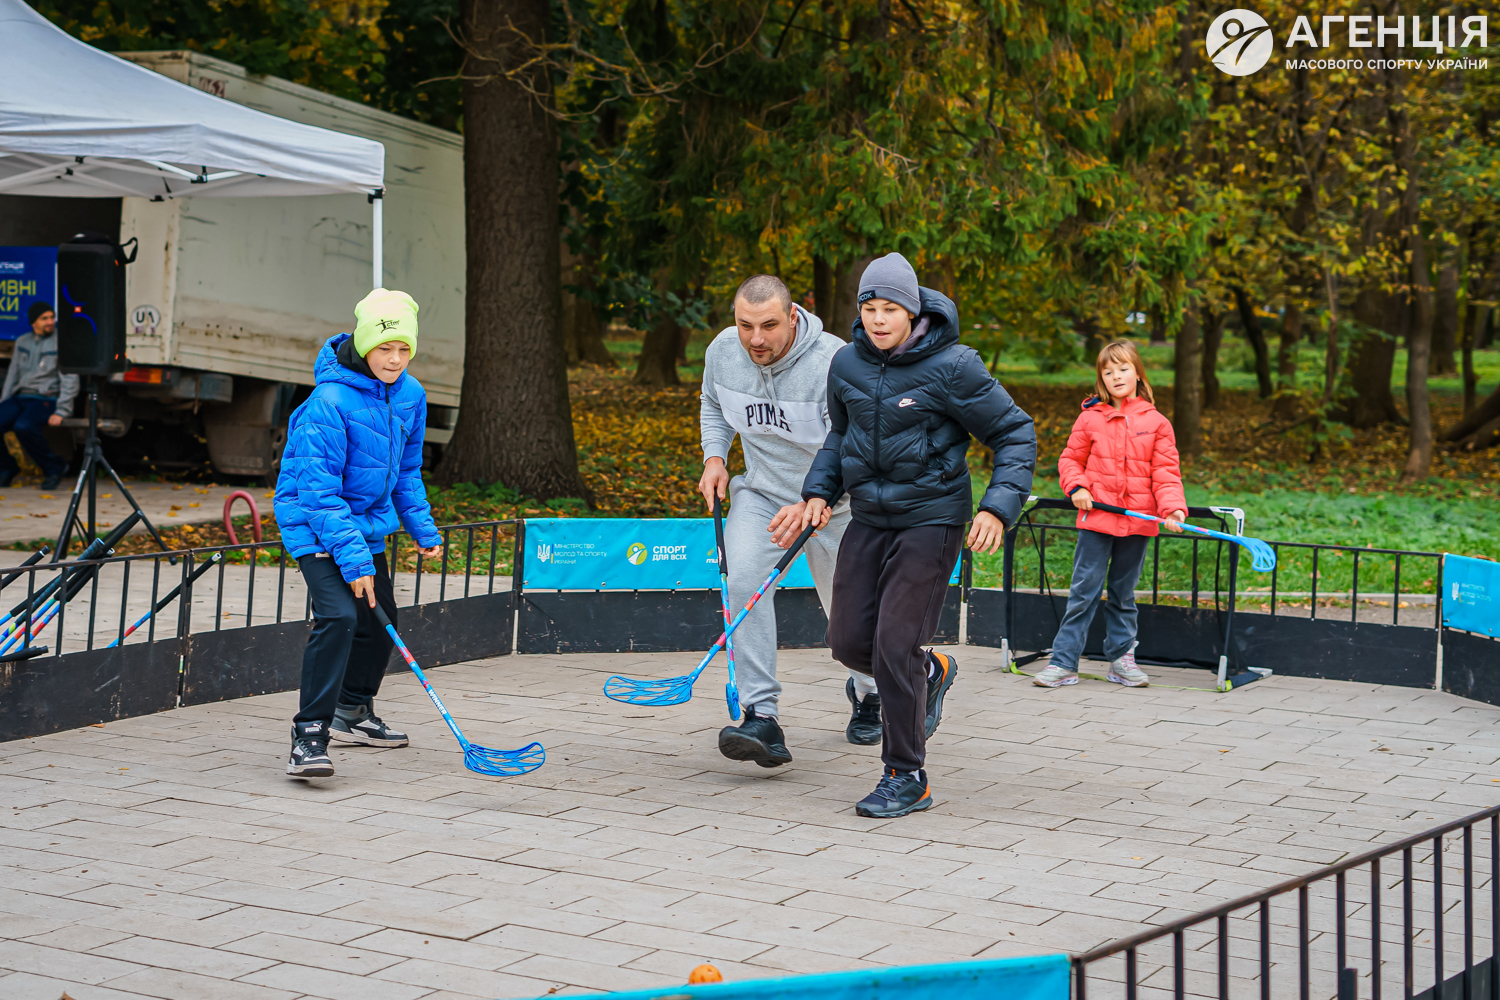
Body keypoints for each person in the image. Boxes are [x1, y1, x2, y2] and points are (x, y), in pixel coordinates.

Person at [800, 252, 1036, 818]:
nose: (879, 319)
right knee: (847, 643)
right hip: (868, 518)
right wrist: (819, 492)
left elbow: (1014, 432)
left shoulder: (955, 366)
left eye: (890, 309)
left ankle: (906, 776)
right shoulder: (847, 363)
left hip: (932, 520)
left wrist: (997, 509)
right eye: (870, 308)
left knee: (893, 647)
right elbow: (840, 437)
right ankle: (930, 671)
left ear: (912, 311)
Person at [699, 274, 871, 769]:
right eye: (745, 325)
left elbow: (856, 445)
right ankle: (762, 717)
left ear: (793, 318)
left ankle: (872, 692)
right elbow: (713, 403)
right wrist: (715, 456)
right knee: (743, 583)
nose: (756, 339)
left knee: (849, 618)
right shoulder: (723, 352)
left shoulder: (834, 362)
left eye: (769, 325)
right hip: (762, 495)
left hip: (837, 505)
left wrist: (818, 497)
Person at [274, 288, 444, 778]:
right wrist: (354, 562)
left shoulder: (410, 395)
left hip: (363, 526)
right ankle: (309, 735)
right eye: (384, 348)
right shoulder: (327, 402)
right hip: (314, 521)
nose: (395, 359)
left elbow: (406, 470)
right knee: (340, 616)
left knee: (379, 619)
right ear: (364, 344)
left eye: (404, 349)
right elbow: (318, 493)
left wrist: (421, 528)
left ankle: (352, 709)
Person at [1033, 339, 1187, 689]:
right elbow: (1070, 460)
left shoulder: (1157, 422)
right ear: (1100, 378)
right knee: (1083, 591)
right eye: (1108, 371)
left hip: (1139, 521)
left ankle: (1121, 660)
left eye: (1123, 368)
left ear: (1138, 373)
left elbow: (1166, 472)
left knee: (1123, 593)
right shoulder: (1090, 418)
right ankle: (1063, 662)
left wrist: (1173, 508)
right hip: (1097, 519)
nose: (1116, 376)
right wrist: (1078, 487)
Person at [0, 301, 78, 489]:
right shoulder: (22, 341)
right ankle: (7, 467)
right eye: (45, 318)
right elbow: (12, 375)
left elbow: (70, 379)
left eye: (52, 317)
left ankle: (54, 466)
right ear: (33, 322)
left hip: (46, 398)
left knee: (24, 426)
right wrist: (4, 403)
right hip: (21, 397)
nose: (50, 322)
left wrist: (62, 411)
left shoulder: (61, 342)